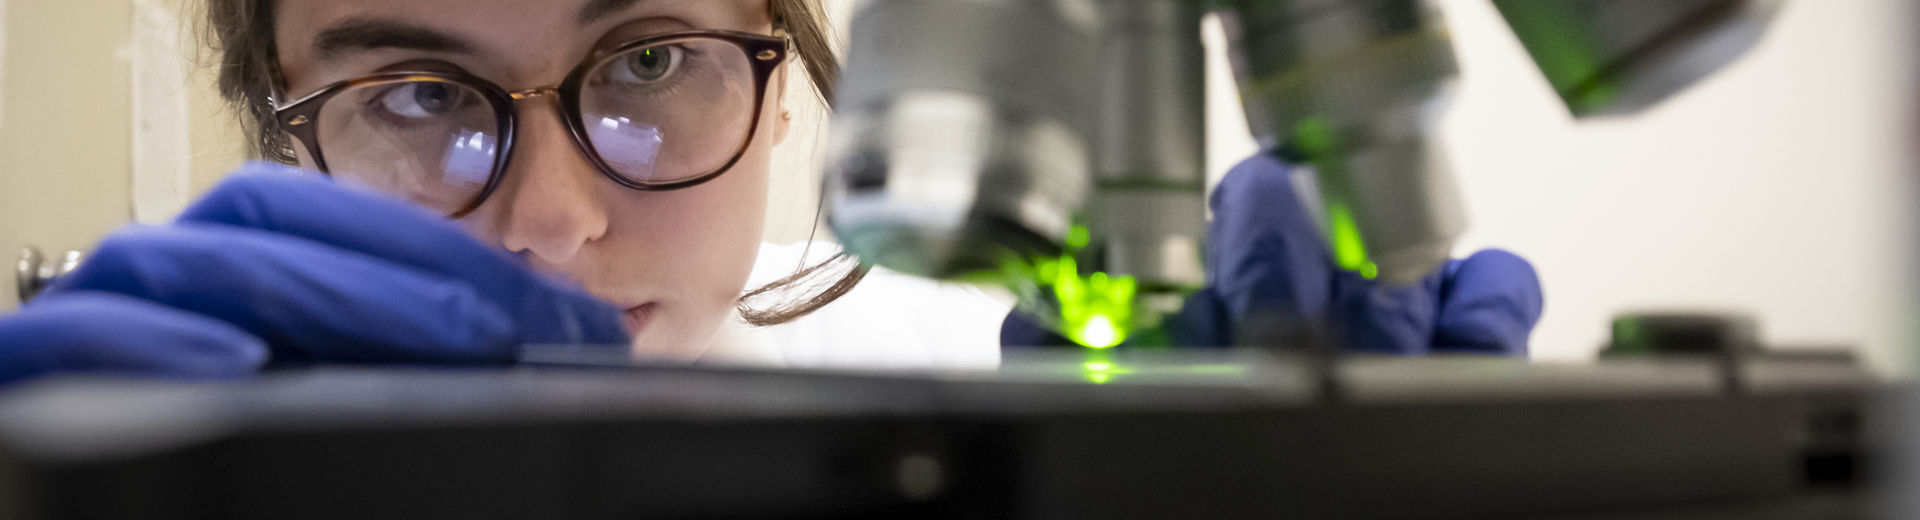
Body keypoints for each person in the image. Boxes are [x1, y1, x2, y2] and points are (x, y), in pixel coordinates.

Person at [0, 0, 1543, 386]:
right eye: (418, 96)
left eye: (653, 62)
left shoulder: (976, 413)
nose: (551, 222)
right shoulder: (189, 444)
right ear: (284, 139)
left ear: (790, 73)